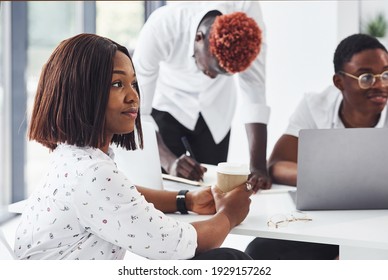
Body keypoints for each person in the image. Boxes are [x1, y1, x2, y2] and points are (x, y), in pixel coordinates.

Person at [14, 33, 255, 260]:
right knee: (229, 258)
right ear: (81, 92)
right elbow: (178, 244)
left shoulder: (71, 156)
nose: (133, 96)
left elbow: (124, 193)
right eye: (117, 84)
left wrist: (186, 200)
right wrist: (229, 214)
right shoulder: (93, 174)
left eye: (134, 83)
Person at [245, 33, 388, 259]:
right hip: (325, 220)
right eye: (366, 77)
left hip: (382, 223)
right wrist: (337, 179)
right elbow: (277, 165)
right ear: (339, 82)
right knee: (260, 252)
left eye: (385, 74)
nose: (380, 84)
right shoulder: (314, 106)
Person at [133, 2, 271, 190]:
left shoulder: (247, 15)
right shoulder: (161, 28)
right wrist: (169, 162)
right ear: (199, 38)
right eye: (212, 69)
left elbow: (254, 90)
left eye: (223, 73)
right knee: (166, 188)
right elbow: (137, 110)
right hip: (167, 107)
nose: (213, 77)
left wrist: (258, 167)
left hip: (216, 115)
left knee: (211, 191)